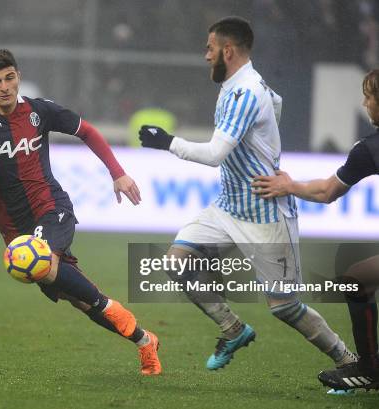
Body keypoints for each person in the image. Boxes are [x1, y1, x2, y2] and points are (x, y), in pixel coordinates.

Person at [138, 16, 356, 371]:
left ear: (228, 50)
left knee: (284, 306)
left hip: (266, 216)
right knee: (176, 263)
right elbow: (277, 104)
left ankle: (348, 360)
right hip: (227, 208)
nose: (205, 55)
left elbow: (214, 154)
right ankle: (232, 328)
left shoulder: (245, 92)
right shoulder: (246, 86)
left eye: (210, 48)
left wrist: (167, 142)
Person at [0, 49, 161, 375]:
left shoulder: (39, 111)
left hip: (52, 208)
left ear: (18, 77)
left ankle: (116, 312)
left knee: (44, 262)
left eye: (10, 78)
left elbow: (88, 132)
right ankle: (143, 340)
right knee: (78, 299)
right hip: (15, 231)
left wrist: (117, 173)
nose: (5, 87)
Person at [252, 69, 379, 390]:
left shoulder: (370, 148)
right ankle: (369, 368)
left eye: (369, 96)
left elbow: (326, 192)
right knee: (358, 279)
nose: (364, 103)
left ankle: (369, 369)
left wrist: (288, 185)